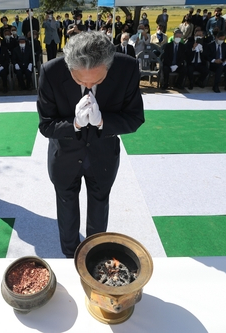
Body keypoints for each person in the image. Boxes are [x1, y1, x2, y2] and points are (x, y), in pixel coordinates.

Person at [37, 31, 144, 258]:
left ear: (109, 66)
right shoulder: (51, 72)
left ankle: (94, 254)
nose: (88, 86)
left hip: (103, 155)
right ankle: (70, 255)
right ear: (68, 67)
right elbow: (46, 126)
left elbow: (135, 118)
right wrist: (74, 123)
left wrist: (103, 121)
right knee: (66, 207)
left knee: (99, 206)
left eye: (97, 81)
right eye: (79, 80)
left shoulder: (127, 68)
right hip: (65, 155)